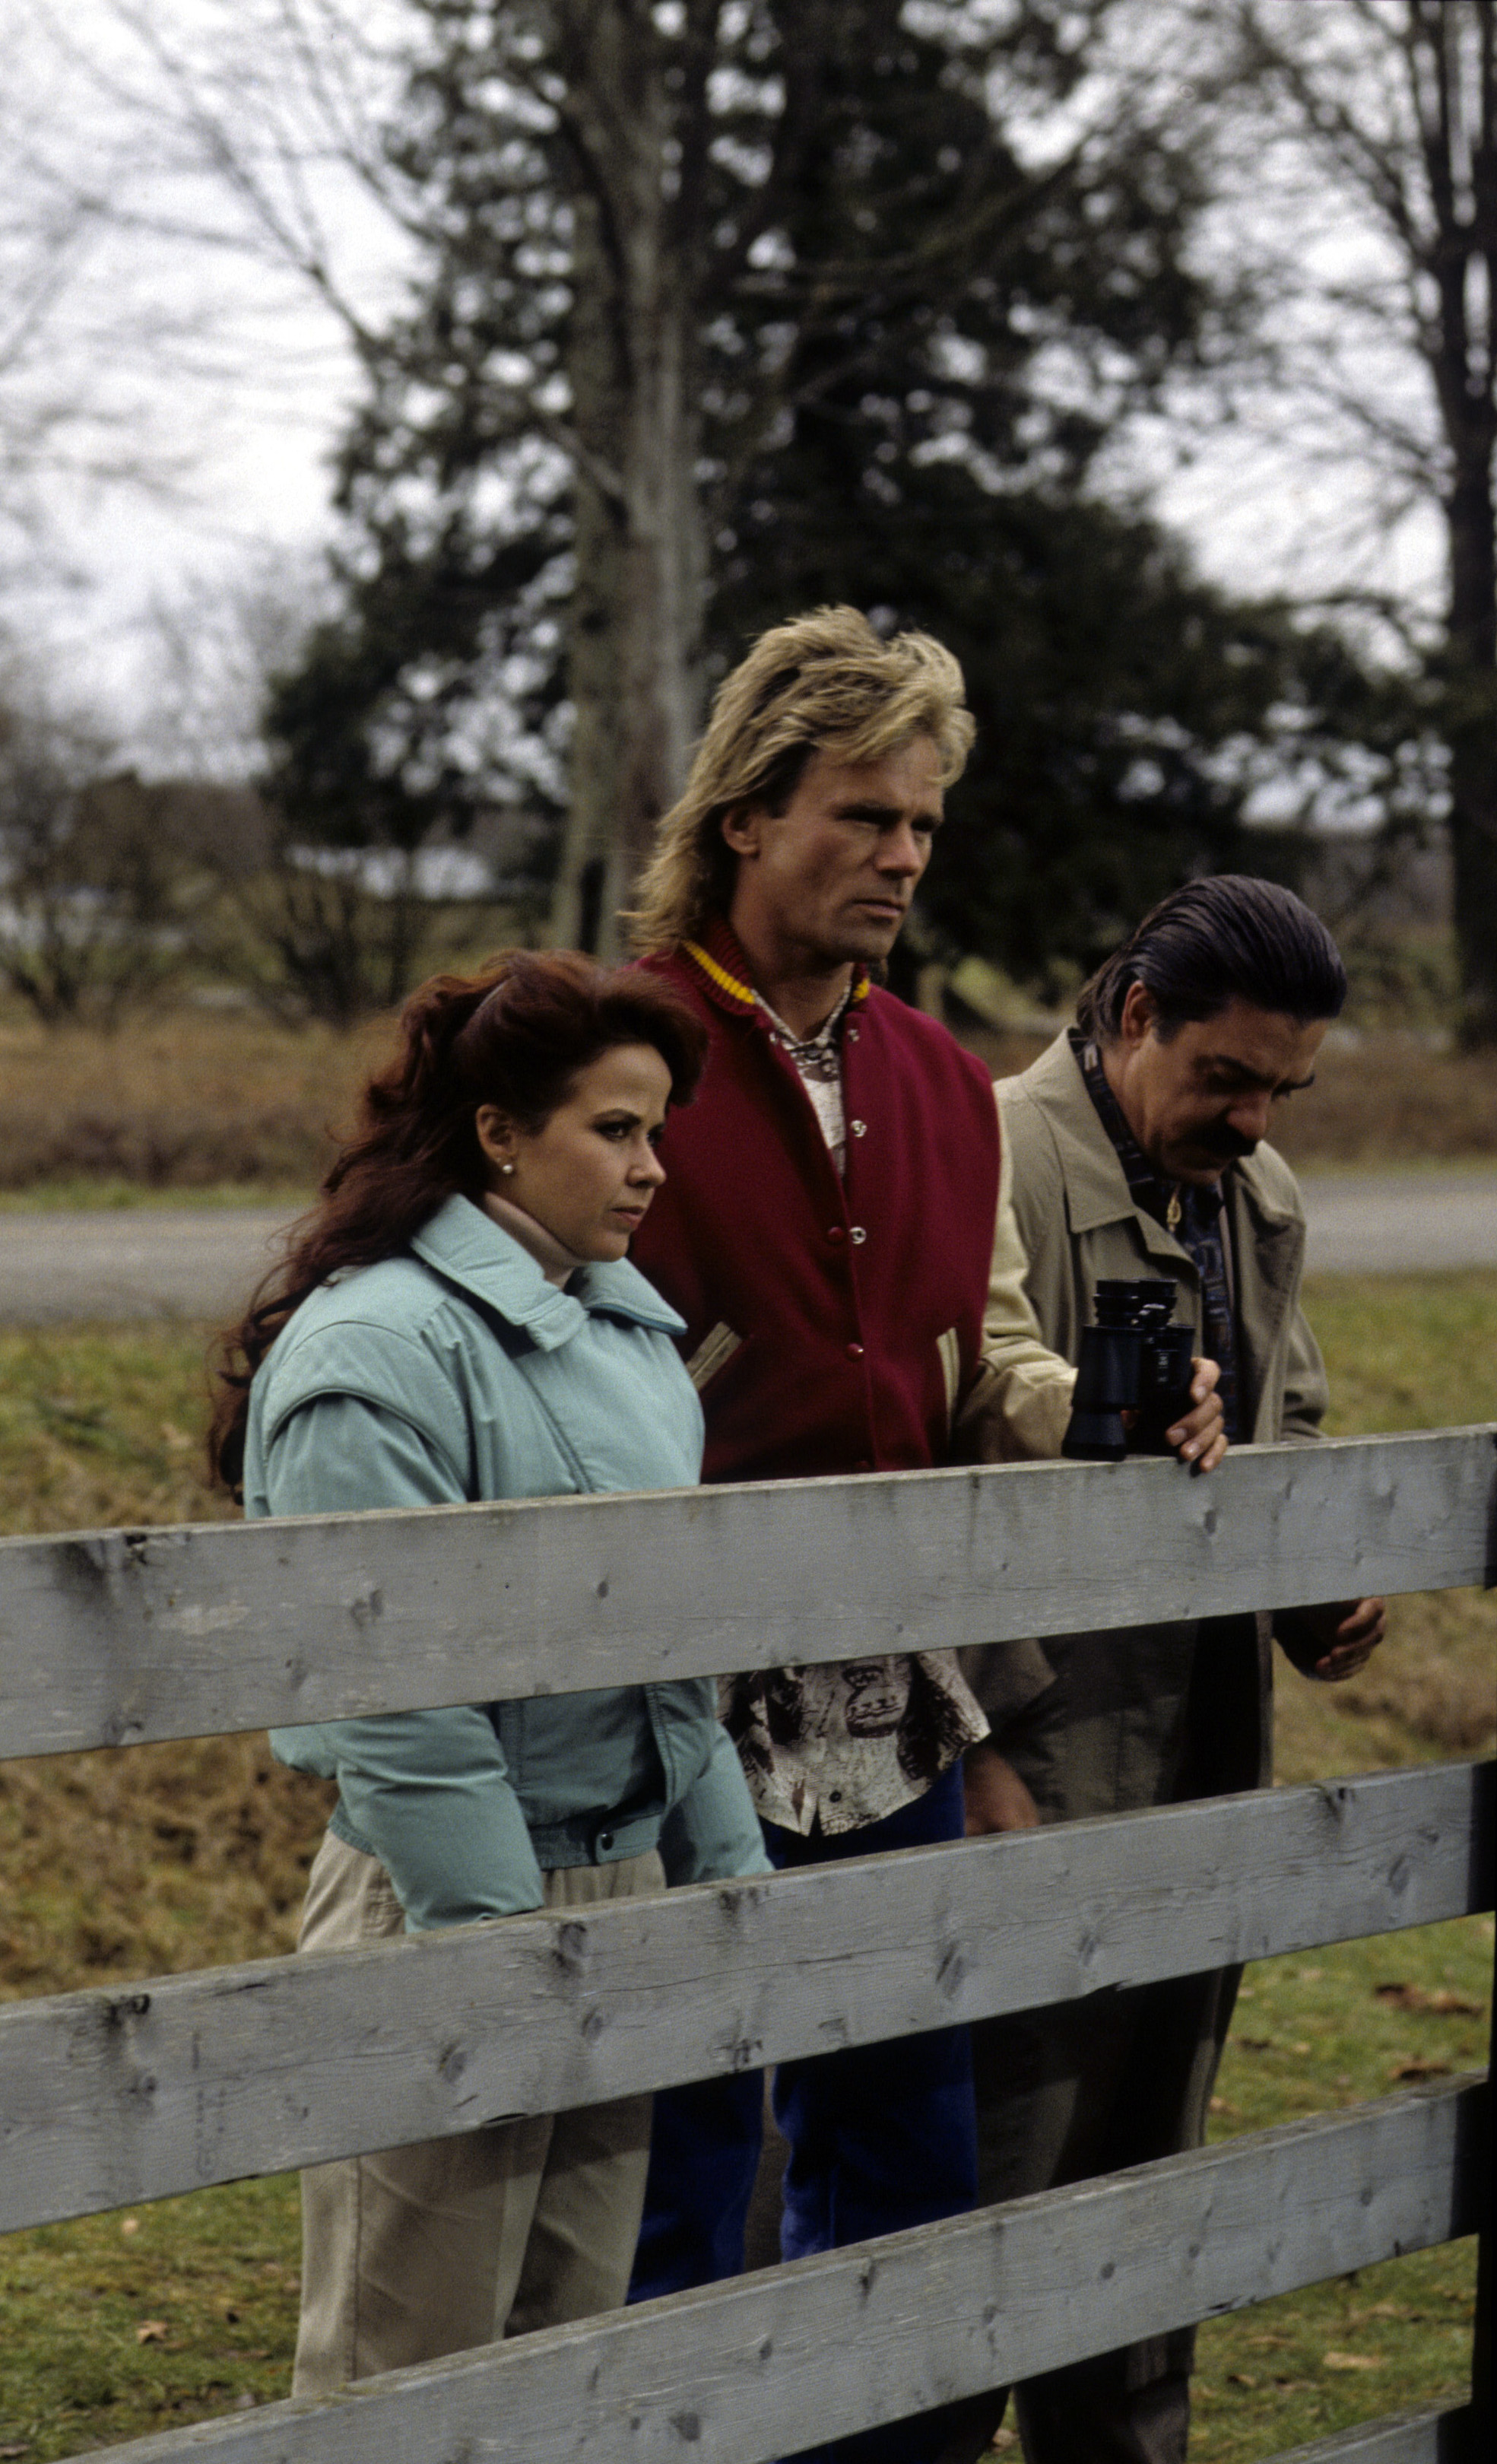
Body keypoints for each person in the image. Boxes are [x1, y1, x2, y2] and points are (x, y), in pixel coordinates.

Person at [618, 606, 1223, 2462]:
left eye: (924, 827)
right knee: (687, 2183)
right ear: (745, 815)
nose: (900, 855)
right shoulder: (610, 1047)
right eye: (864, 815)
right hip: (654, 1724)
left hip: (894, 1720)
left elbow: (994, 1361)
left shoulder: (945, 1086)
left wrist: (1112, 1411)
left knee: (906, 2162)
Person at [207, 951, 769, 2399]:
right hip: (446, 1901)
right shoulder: (379, 1351)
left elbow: (672, 1638)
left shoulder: (628, 1324)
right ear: (499, 1132)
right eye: (614, 1128)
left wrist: (716, 1874)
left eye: (657, 1130)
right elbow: (397, 1701)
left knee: (566, 2348)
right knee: (409, 2362)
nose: (652, 1167)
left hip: (615, 1880)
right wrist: (499, 1956)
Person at [939, 876, 1387, 2464]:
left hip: (1200, 1741)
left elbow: (1291, 1427)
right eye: (1227, 1079)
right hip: (1031, 1744)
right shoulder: (985, 1150)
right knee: (981, 2180)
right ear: (1138, 1015)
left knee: (1150, 2169)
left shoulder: (1254, 1199)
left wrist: (1314, 1589)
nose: (1257, 1119)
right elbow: (934, 1445)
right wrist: (971, 1743)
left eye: (1283, 1089)